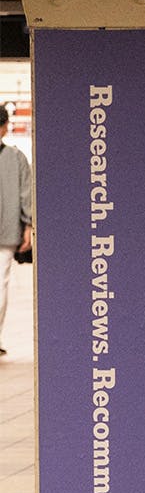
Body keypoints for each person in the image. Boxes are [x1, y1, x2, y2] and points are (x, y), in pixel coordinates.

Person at [0, 105, 32, 357]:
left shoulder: (16, 157)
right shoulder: (16, 157)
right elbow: (26, 194)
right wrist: (28, 225)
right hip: (7, 230)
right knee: (0, 284)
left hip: (8, 231)